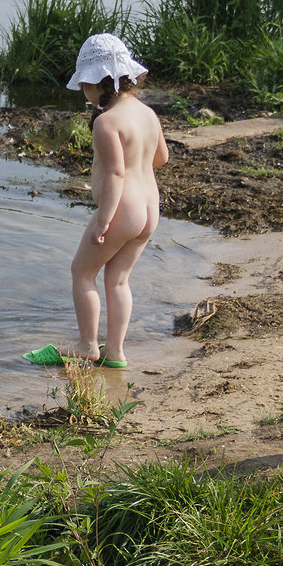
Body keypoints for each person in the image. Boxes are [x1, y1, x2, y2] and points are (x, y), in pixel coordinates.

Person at [24, 33, 169, 369]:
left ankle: (87, 344)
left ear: (96, 83)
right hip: (150, 209)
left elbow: (116, 175)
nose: (85, 94)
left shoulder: (106, 122)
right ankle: (115, 352)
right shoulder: (147, 113)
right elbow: (160, 158)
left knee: (82, 271)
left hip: (122, 209)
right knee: (118, 279)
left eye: (85, 86)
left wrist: (103, 219)